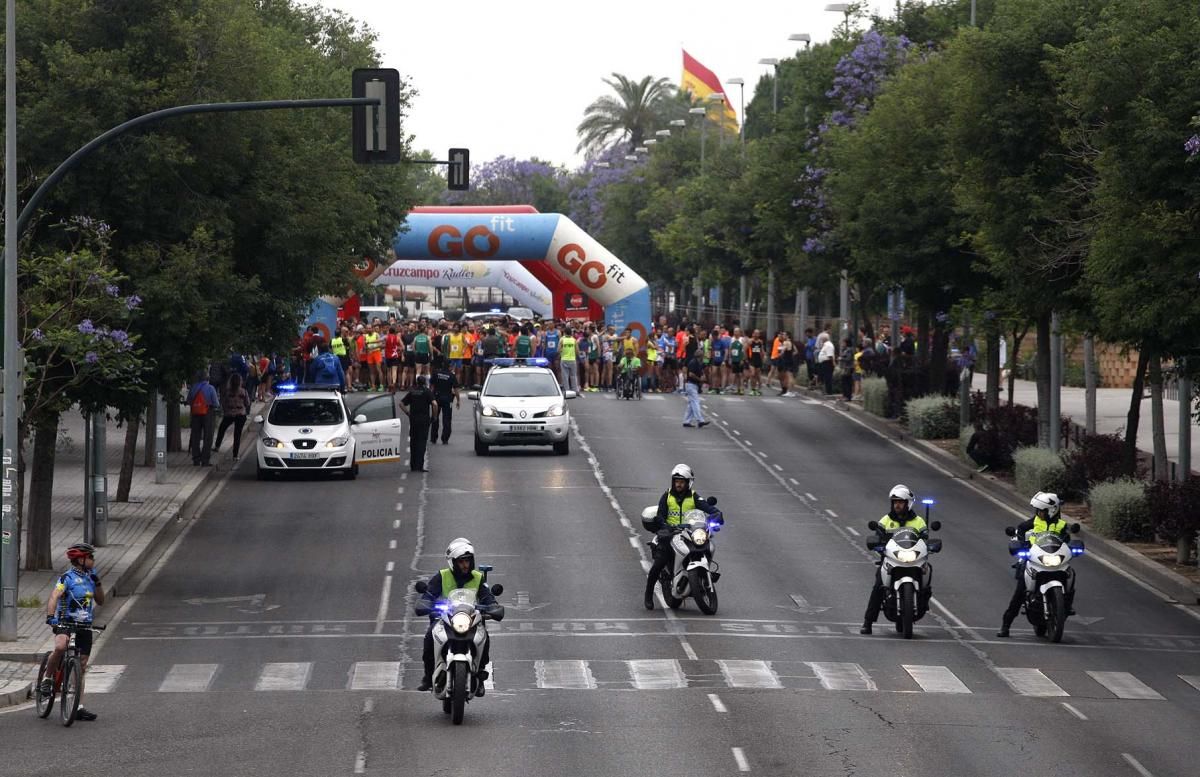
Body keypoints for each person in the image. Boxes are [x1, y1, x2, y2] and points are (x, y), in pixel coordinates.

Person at [416, 538, 503, 693]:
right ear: (453, 562)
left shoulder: (478, 578)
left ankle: (480, 675)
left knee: (485, 638)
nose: (465, 565)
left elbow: (487, 597)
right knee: (429, 638)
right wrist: (425, 603)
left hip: (470, 621)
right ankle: (429, 677)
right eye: (462, 561)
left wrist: (492, 606)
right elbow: (428, 595)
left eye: (468, 561)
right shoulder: (441, 576)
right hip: (443, 620)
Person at [41, 542, 106, 721]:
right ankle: (47, 679)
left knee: (82, 666)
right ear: (80, 559)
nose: (93, 560)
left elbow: (100, 601)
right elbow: (55, 595)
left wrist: (98, 583)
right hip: (65, 622)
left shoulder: (92, 578)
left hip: (85, 625)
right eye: (90, 557)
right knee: (61, 647)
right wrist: (50, 616)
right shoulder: (67, 578)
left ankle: (78, 707)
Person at [997, 492, 1074, 638]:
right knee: (1020, 591)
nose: (1038, 513)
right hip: (1034, 559)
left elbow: (1067, 540)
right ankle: (1005, 625)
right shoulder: (1031, 523)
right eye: (1038, 510)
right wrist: (1019, 543)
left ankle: (1067, 603)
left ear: (1051, 510)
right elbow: (1019, 532)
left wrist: (1072, 548)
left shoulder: (1062, 525)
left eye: (1041, 510)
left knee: (1071, 573)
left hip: (1054, 559)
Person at [643, 464, 719, 610]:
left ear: (688, 482)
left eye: (681, 481)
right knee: (659, 563)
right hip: (671, 535)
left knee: (706, 544)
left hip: (690, 532)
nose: (678, 484)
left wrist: (716, 515)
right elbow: (659, 516)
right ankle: (648, 593)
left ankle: (702, 577)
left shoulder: (694, 497)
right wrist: (666, 527)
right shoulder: (667, 496)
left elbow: (709, 509)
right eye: (676, 481)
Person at [861, 485, 929, 634]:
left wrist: (931, 545)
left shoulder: (919, 522)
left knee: (928, 574)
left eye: (900, 502)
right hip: (891, 560)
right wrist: (876, 544)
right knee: (878, 586)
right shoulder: (885, 520)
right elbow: (877, 537)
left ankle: (923, 598)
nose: (897, 505)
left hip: (913, 560)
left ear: (908, 503)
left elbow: (925, 540)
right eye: (895, 502)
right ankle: (868, 622)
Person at [400, 375, 437, 472]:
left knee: (413, 441)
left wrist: (408, 413)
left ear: (417, 382)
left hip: (413, 419)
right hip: (424, 420)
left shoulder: (412, 392)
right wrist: (434, 416)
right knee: (422, 442)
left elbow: (401, 404)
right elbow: (434, 404)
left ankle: (413, 465)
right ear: (425, 383)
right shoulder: (427, 392)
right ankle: (419, 465)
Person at [213, 373, 251, 461]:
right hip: (241, 414)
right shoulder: (243, 391)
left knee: (222, 428)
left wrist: (226, 410)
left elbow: (224, 402)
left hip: (229, 413)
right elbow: (247, 403)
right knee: (237, 434)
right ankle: (235, 455)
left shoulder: (228, 391)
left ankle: (217, 446)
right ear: (240, 382)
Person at [186, 370, 220, 466]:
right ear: (207, 378)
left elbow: (189, 401)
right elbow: (216, 403)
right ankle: (205, 460)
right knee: (208, 436)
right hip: (208, 413)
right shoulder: (210, 388)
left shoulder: (193, 387)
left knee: (195, 436)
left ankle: (196, 459)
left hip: (195, 413)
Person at [429, 356, 460, 445]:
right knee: (447, 420)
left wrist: (431, 398)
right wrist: (458, 400)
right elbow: (456, 389)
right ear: (449, 366)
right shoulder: (451, 376)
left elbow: (431, 386)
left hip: (436, 398)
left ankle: (433, 438)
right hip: (447, 399)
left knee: (435, 417)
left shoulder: (436, 373)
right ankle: (445, 438)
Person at [681, 345, 710, 428]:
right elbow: (691, 374)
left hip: (693, 385)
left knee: (691, 404)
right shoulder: (693, 363)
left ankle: (686, 421)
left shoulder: (698, 363)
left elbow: (701, 371)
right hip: (691, 384)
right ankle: (700, 420)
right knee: (696, 402)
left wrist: (703, 377)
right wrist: (700, 379)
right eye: (702, 356)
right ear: (700, 356)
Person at [559, 327, 579, 394]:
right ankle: (575, 390)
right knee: (573, 376)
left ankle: (567, 390)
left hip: (564, 359)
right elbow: (577, 351)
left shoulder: (562, 339)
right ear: (571, 333)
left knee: (565, 376)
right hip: (572, 359)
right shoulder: (574, 340)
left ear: (564, 333)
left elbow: (558, 350)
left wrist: (562, 352)